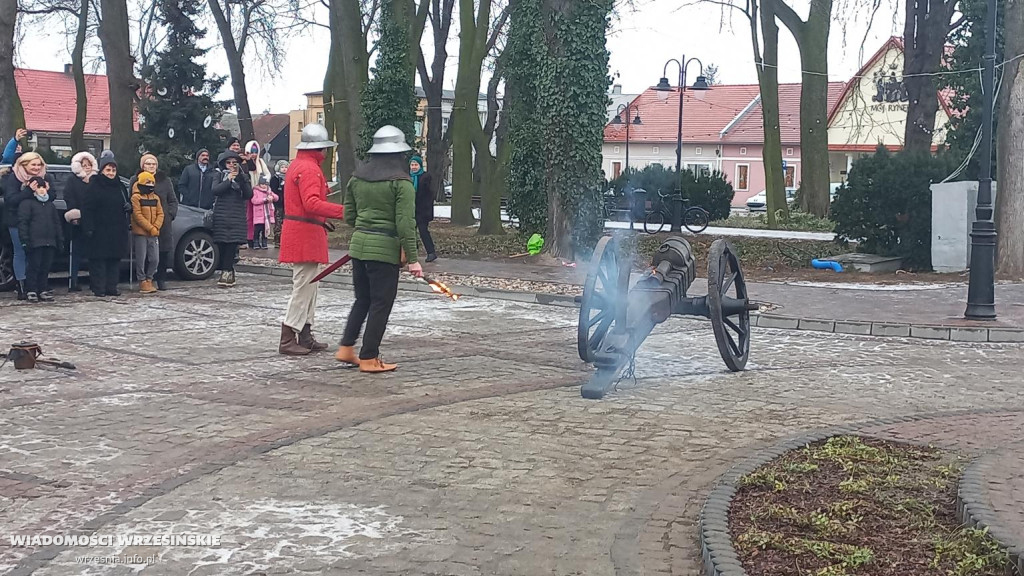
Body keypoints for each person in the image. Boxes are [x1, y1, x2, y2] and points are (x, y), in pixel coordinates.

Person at [338, 126, 423, 373]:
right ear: (399, 154)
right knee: (381, 304)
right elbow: (405, 223)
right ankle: (369, 358)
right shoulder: (401, 183)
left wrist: (366, 229)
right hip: (384, 251)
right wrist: (414, 259)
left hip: (358, 246)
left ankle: (346, 348)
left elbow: (349, 215)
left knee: (362, 300)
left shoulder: (357, 178)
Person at [278, 124, 345, 356]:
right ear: (320, 148)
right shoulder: (310, 169)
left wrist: (323, 217)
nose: (327, 153)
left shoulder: (299, 165)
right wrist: (344, 212)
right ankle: (288, 336)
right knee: (304, 287)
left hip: (304, 230)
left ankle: (304, 334)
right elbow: (311, 203)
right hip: (305, 234)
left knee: (310, 286)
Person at [4, 152, 52, 300]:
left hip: (38, 222)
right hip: (17, 221)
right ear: (24, 165)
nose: (37, 168)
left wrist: (46, 192)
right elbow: (11, 200)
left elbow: (53, 197)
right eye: (33, 165)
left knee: (37, 255)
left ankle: (36, 286)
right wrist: (29, 191)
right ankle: (22, 285)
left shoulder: (46, 177)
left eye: (39, 165)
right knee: (21, 252)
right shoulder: (14, 178)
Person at [82, 151, 130, 297]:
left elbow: (125, 202)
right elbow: (87, 208)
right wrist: (88, 227)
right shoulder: (94, 185)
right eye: (108, 170)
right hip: (99, 230)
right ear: (102, 170)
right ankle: (99, 288)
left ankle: (112, 287)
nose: (111, 173)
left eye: (113, 170)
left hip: (117, 229)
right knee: (99, 261)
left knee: (114, 261)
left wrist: (129, 208)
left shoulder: (120, 186)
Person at [132, 154, 179, 290]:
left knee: (162, 252)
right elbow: (132, 199)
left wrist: (170, 215)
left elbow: (173, 200)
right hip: (143, 223)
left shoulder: (165, 181)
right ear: (142, 166)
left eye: (153, 164)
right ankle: (146, 280)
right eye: (148, 164)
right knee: (145, 254)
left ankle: (161, 279)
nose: (151, 166)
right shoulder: (136, 180)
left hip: (162, 222)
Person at [17, 172, 62, 302]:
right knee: (34, 266)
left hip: (50, 241)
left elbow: (56, 223)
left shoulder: (50, 205)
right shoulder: (27, 204)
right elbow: (23, 223)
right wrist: (25, 240)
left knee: (45, 267)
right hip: (35, 241)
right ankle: (31, 289)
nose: (41, 190)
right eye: (38, 187)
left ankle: (42, 288)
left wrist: (59, 240)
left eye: (43, 187)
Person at [210, 150, 252, 288]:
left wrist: (241, 179)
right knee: (221, 244)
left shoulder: (243, 177)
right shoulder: (218, 175)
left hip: (236, 216)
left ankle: (226, 272)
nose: (232, 165)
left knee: (231, 244)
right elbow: (216, 190)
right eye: (228, 163)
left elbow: (248, 194)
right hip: (221, 215)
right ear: (223, 164)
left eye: (234, 163)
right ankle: (229, 270)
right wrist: (228, 180)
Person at [64, 151, 97, 292]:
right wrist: (74, 214)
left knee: (94, 253)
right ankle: (73, 281)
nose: (87, 167)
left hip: (94, 221)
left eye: (89, 165)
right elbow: (68, 197)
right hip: (78, 221)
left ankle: (94, 281)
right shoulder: (73, 180)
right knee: (76, 252)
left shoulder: (96, 180)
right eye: (84, 165)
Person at [130, 171, 164, 294]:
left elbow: (160, 213)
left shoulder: (156, 198)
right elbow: (137, 215)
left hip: (154, 232)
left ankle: (150, 278)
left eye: (152, 183)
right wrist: (150, 228)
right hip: (141, 233)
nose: (150, 186)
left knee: (155, 258)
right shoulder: (136, 197)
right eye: (148, 183)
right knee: (141, 258)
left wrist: (156, 226)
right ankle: (142, 280)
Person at [243, 141, 272, 249]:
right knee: (249, 217)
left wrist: (264, 183)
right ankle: (250, 238)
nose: (254, 154)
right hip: (249, 193)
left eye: (256, 152)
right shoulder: (245, 162)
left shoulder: (260, 162)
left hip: (259, 193)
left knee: (260, 217)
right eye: (252, 152)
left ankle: (261, 239)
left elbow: (267, 174)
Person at [410, 155, 437, 263]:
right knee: (410, 232)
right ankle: (411, 253)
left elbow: (429, 194)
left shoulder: (425, 177)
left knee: (423, 231)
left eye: (416, 165)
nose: (414, 167)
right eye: (412, 165)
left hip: (422, 211)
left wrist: (425, 208)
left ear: (420, 166)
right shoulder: (408, 177)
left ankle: (431, 252)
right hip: (411, 210)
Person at [250, 175, 277, 250]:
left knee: (265, 230)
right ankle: (256, 241)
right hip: (259, 215)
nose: (264, 186)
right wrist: (264, 199)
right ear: (259, 184)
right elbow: (254, 201)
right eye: (262, 184)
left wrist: (272, 197)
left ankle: (264, 241)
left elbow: (276, 198)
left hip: (267, 216)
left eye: (265, 184)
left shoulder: (269, 191)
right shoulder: (255, 191)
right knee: (257, 230)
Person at [269, 160, 288, 243]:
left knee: (286, 221)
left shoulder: (289, 178)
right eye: (282, 167)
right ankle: (277, 239)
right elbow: (273, 190)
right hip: (278, 203)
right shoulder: (275, 179)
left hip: (287, 204)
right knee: (278, 221)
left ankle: (285, 239)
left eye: (286, 167)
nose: (284, 169)